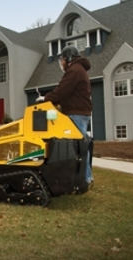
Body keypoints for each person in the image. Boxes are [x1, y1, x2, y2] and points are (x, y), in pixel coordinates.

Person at [36, 45, 94, 188]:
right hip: (80, 112)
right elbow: (67, 93)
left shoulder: (74, 70)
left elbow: (62, 91)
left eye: (62, 60)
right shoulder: (79, 70)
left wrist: (45, 99)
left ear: (68, 58)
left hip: (76, 114)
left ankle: (85, 179)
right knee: (81, 146)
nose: (61, 63)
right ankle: (85, 178)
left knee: (78, 148)